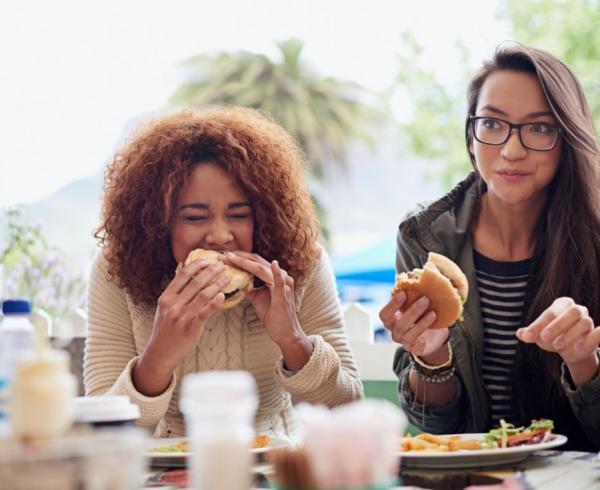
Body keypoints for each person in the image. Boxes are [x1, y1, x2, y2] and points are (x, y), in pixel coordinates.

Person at [85, 107, 363, 440]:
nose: (219, 235)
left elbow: (350, 414)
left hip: (276, 463)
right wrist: (158, 358)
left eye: (239, 214)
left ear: (262, 217)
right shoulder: (117, 269)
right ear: (160, 224)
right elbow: (101, 433)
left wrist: (293, 340)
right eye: (194, 217)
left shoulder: (302, 263)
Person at [380, 44, 600, 450]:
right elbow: (437, 428)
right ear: (471, 133)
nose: (512, 150)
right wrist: (432, 360)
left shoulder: (593, 239)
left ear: (566, 137)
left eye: (539, 128)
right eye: (493, 124)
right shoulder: (425, 238)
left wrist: (583, 361)